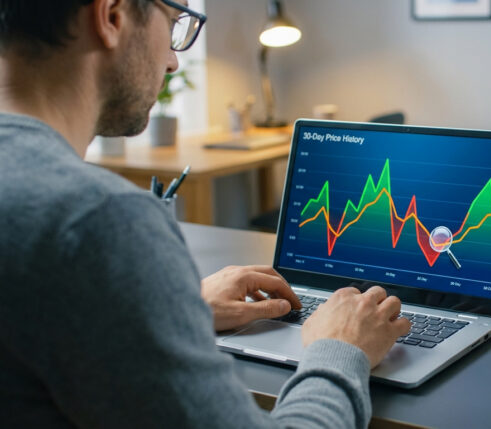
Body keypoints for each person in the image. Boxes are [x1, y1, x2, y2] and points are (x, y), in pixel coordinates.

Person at [0, 0, 411, 427]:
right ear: (112, 16)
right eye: (175, 24)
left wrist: (171, 309)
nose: (174, 61)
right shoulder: (97, 219)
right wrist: (342, 349)